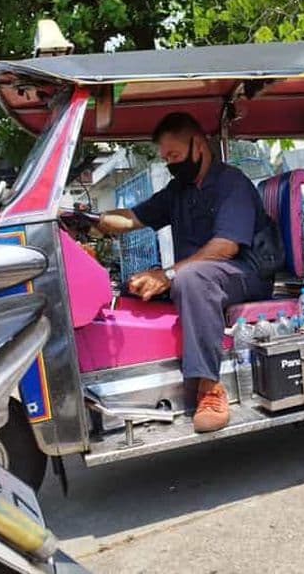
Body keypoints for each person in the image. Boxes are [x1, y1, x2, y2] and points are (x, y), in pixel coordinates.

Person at [97, 112, 274, 433]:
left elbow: (226, 246)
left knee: (190, 279)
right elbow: (133, 218)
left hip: (245, 274)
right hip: (200, 276)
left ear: (199, 145)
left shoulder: (230, 183)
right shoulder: (178, 190)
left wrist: (167, 274)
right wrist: (95, 220)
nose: (170, 164)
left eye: (175, 156)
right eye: (165, 158)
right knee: (134, 286)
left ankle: (210, 388)